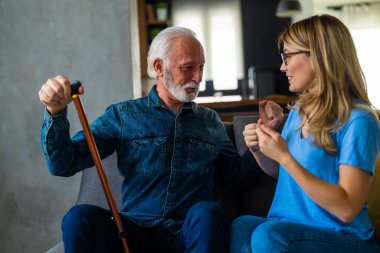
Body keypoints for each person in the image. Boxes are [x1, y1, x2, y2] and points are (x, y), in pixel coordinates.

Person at [38, 27, 283, 253]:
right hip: (134, 232)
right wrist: (55, 113)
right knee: (78, 218)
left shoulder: (209, 121)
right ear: (159, 67)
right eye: (188, 68)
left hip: (188, 234)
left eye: (201, 67)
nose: (198, 77)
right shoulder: (123, 115)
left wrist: (264, 137)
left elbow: (238, 177)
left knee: (207, 211)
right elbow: (64, 164)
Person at [230, 14, 380, 253]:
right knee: (242, 226)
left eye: (287, 56)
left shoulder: (359, 120)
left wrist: (285, 157)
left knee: (270, 235)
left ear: (318, 56)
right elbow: (283, 174)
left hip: (343, 238)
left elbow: (348, 208)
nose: (282, 67)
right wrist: (260, 148)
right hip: (292, 229)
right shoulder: (300, 111)